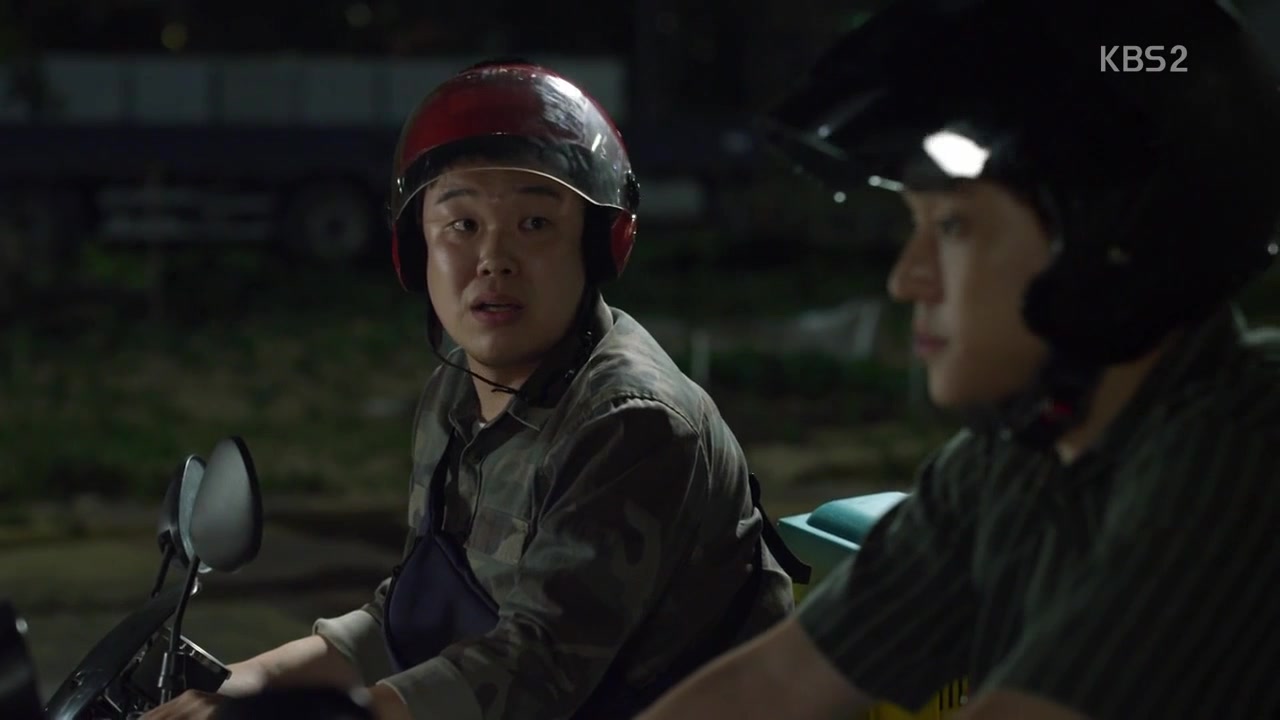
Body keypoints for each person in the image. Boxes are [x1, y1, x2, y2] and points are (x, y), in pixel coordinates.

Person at [638, 1, 1280, 719]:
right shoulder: (1015, 460)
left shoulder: (1244, 447)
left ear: (1110, 241)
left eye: (952, 225)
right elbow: (776, 685)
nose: (905, 278)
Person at [144, 60, 806, 720]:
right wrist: (241, 686)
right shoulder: (456, 392)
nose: (493, 259)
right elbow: (406, 623)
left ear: (597, 247)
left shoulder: (630, 422)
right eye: (461, 226)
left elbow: (535, 666)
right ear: (418, 250)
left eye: (534, 224)